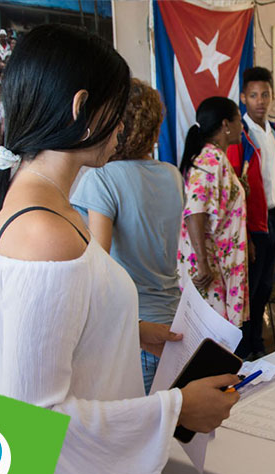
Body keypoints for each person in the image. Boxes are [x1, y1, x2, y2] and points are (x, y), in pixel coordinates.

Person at [0, 24, 239, 474]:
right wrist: (177, 409)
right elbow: (35, 421)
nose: (125, 124)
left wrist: (130, 330)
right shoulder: (40, 230)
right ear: (84, 106)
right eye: (119, 107)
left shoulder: (55, 202)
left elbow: (66, 327)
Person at [72, 78, 185, 395]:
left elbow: (99, 265)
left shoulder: (102, 178)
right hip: (173, 316)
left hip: (136, 330)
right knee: (169, 430)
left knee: (138, 432)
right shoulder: (172, 175)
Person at [227, 67, 275, 360]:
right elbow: (235, 187)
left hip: (272, 216)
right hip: (250, 224)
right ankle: (245, 346)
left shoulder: (273, 131)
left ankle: (258, 340)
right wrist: (243, 232)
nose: (260, 101)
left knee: (266, 285)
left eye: (265, 94)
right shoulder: (240, 137)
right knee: (248, 290)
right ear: (243, 97)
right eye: (253, 95)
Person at [180, 97, 249, 332]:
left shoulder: (216, 158)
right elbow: (194, 211)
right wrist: (203, 264)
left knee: (219, 334)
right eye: (239, 120)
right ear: (225, 124)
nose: (242, 126)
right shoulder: (211, 159)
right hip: (209, 265)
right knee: (212, 336)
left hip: (215, 260)